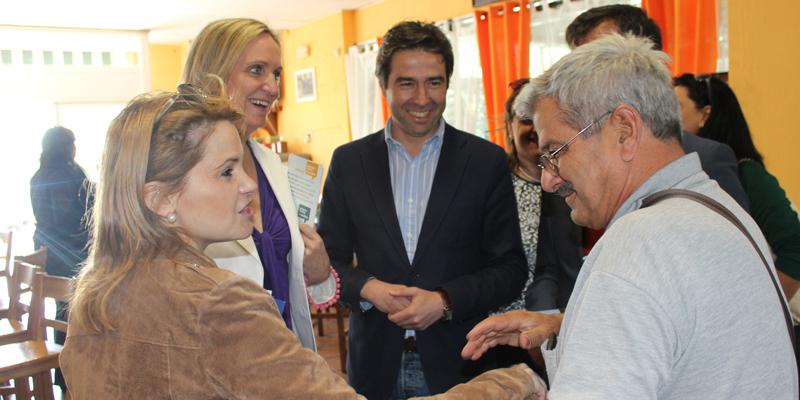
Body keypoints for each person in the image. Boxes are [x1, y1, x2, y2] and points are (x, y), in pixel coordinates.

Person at [60, 85, 546, 400]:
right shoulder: (218, 303)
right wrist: (506, 384)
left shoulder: (98, 292)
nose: (248, 186)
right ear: (161, 198)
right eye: (227, 172)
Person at [461, 34, 798, 399]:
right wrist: (568, 327)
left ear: (625, 130)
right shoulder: (716, 207)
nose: (548, 180)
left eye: (555, 152)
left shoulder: (640, 242)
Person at [317, 21, 528, 399]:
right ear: (383, 84)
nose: (422, 97)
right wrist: (369, 288)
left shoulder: (485, 162)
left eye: (434, 82)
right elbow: (328, 260)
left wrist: (444, 301)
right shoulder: (349, 163)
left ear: (448, 83)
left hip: (461, 364)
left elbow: (510, 269)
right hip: (374, 366)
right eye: (406, 83)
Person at [182, 18, 336, 351]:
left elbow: (290, 278)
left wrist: (319, 269)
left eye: (276, 73)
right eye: (256, 70)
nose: (273, 87)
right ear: (214, 74)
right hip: (222, 361)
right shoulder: (180, 175)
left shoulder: (271, 164)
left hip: (288, 358)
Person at [564, 4, 750, 211]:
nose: (584, 75)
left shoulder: (706, 158)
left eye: (599, 60)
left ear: (646, 58)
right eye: (579, 63)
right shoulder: (574, 162)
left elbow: (724, 229)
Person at [674, 73, 800, 316]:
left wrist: (761, 310)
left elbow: (795, 247)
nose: (666, 116)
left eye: (676, 107)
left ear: (705, 115)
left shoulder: (748, 174)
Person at [501, 79, 582, 313]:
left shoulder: (576, 184)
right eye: (527, 120)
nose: (536, 129)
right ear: (510, 127)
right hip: (504, 318)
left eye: (543, 121)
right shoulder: (495, 187)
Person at [30, 125, 94, 393]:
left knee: (62, 313)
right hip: (74, 255)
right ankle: (78, 372)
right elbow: (83, 216)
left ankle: (63, 373)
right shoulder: (71, 175)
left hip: (50, 254)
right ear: (67, 147)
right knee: (81, 315)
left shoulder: (38, 176)